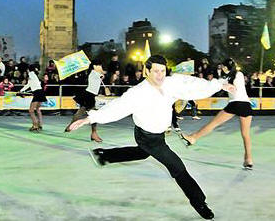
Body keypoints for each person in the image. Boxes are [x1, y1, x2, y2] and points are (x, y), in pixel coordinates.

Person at [66, 55, 235, 220]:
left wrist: (219, 84)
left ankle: (104, 155)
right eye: (155, 71)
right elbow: (117, 108)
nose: (160, 75)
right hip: (147, 136)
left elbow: (194, 85)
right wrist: (91, 118)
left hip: (157, 136)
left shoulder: (171, 83)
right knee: (176, 166)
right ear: (147, 71)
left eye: (162, 71)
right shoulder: (138, 92)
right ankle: (200, 203)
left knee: (142, 153)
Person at [182, 58, 254, 170]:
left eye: (222, 67)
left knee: (213, 124)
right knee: (246, 134)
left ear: (225, 67)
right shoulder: (238, 74)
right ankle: (248, 160)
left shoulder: (226, 78)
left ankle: (193, 138)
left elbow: (221, 85)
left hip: (235, 104)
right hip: (246, 105)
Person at [65, 59, 106, 142]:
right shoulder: (93, 73)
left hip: (89, 95)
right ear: (95, 66)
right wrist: (102, 74)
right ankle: (94, 134)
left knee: (80, 112)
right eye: (99, 65)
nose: (100, 67)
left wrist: (102, 75)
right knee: (93, 115)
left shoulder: (96, 73)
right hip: (89, 96)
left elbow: (102, 75)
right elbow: (102, 74)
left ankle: (70, 126)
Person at [20, 65, 47, 132]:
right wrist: (21, 91)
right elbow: (28, 85)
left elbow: (29, 82)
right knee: (37, 109)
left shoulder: (31, 74)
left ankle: (35, 125)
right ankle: (40, 125)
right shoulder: (34, 76)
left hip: (37, 93)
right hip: (41, 92)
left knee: (31, 111)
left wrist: (30, 71)